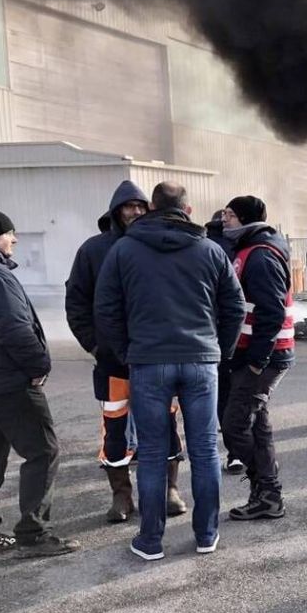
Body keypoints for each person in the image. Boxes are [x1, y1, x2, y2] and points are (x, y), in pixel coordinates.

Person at [95, 182, 246, 560]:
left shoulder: (124, 250)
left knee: (151, 451)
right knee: (205, 450)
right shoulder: (210, 250)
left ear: (149, 208)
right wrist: (220, 350)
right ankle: (206, 534)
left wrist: (128, 351)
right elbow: (235, 307)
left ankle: (150, 541)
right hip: (200, 361)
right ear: (188, 210)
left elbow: (106, 309)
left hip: (148, 362)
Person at [66, 180, 187, 524]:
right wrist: (93, 343)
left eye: (140, 206)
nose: (135, 212)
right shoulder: (92, 251)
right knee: (114, 429)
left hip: (157, 358)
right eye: (128, 206)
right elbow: (76, 302)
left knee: (165, 422)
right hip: (112, 363)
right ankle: (121, 495)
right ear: (115, 210)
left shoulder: (158, 245)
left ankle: (170, 490)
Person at [0, 208, 79, 560]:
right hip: (9, 381)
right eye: (9, 233)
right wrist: (38, 365)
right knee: (43, 452)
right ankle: (33, 533)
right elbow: (14, 329)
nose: (14, 239)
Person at [221, 196, 295, 520]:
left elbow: (272, 312)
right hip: (255, 354)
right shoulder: (249, 249)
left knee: (234, 426)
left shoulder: (261, 255)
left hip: (264, 356)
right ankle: (266, 496)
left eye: (231, 215)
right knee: (257, 423)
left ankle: (268, 487)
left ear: (247, 219)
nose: (225, 220)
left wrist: (256, 360)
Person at [205, 211, 243, 474]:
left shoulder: (204, 246)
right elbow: (237, 303)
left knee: (219, 396)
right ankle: (236, 453)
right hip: (230, 335)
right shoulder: (230, 250)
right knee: (235, 394)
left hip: (207, 334)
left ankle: (227, 452)